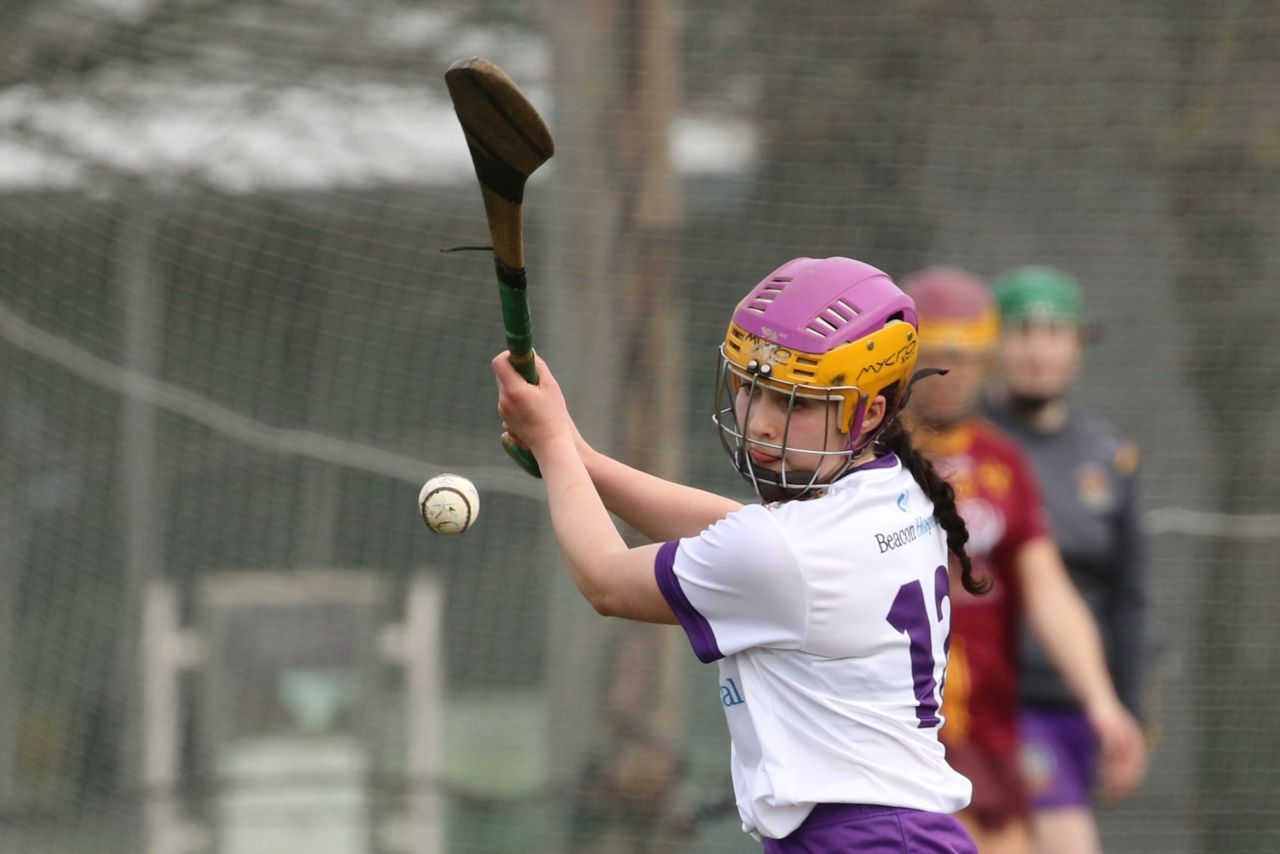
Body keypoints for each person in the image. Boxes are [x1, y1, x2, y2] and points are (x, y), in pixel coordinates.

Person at [493, 256, 981, 852]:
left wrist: (551, 446)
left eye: (795, 404)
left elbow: (606, 582)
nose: (764, 423)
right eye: (752, 389)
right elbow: (746, 534)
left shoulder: (786, 551)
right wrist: (575, 457)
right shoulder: (894, 488)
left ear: (869, 411)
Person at [898, 266, 1147, 854]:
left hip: (991, 728)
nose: (954, 374)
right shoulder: (871, 458)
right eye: (937, 355)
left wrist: (1103, 702)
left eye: (972, 356)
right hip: (900, 734)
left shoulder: (1002, 461)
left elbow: (1049, 591)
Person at [983, 266, 1150, 854]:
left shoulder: (1108, 455)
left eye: (1055, 331)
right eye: (1021, 329)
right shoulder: (966, 447)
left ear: (1079, 343)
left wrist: (1127, 712)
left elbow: (1130, 595)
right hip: (990, 702)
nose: (1038, 347)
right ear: (992, 342)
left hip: (1080, 707)